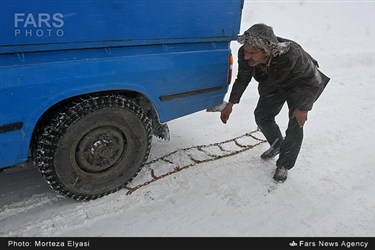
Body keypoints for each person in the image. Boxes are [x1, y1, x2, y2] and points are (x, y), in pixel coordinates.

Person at [220, 23, 330, 183]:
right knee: (262, 116)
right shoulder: (245, 52)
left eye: (252, 53)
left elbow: (314, 80)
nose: (246, 56)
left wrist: (303, 107)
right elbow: (243, 78)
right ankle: (278, 144)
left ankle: (284, 164)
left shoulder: (292, 54)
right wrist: (231, 103)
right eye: (245, 51)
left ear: (266, 50)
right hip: (273, 84)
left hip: (300, 86)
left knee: (295, 123)